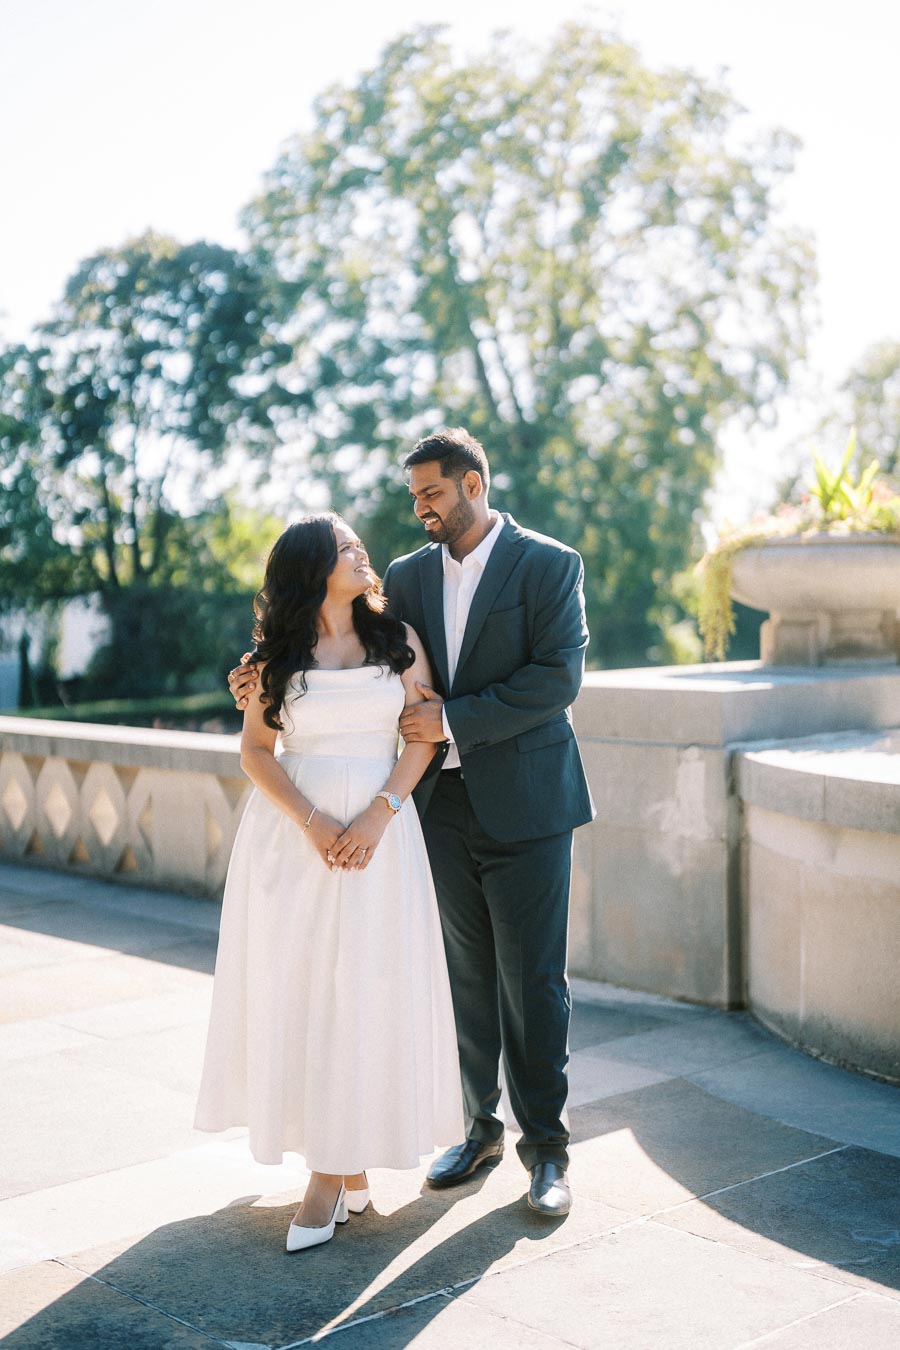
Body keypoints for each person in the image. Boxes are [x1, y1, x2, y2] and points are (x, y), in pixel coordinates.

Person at [230, 428, 594, 1216]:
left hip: (529, 801)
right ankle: (478, 1129)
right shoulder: (405, 576)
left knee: (532, 980)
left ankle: (548, 1152)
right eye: (415, 496)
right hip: (437, 812)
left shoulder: (550, 564)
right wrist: (262, 672)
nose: (420, 508)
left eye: (431, 492)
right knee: (460, 976)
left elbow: (556, 679)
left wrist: (450, 723)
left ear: (473, 483)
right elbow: (353, 656)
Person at [196, 514, 464, 1253]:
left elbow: (424, 738)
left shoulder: (396, 640)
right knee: (307, 991)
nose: (360, 552)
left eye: (357, 545)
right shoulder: (271, 658)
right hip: (292, 841)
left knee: (371, 989)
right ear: (309, 568)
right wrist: (314, 823)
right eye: (344, 547)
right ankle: (335, 1167)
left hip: (383, 835)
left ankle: (336, 1168)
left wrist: (378, 816)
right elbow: (255, 752)